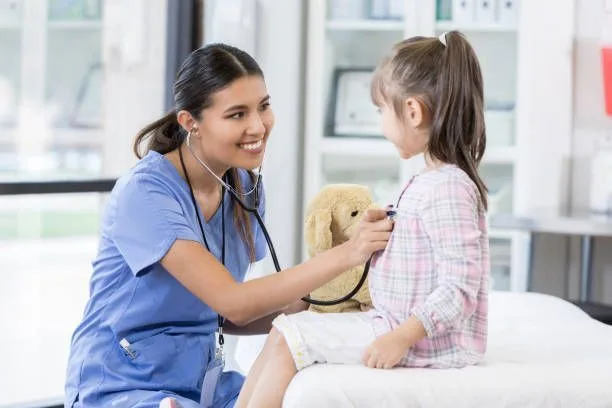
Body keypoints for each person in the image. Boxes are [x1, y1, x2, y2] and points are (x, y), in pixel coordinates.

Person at [63, 43, 394, 408]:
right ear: (191, 123)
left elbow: (221, 316)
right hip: (124, 385)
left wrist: (328, 302)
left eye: (264, 106)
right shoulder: (145, 194)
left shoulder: (245, 188)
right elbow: (233, 303)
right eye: (237, 114)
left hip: (203, 385)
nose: (258, 126)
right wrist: (349, 253)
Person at [235, 31, 491, 408]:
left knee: (291, 338)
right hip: (401, 325)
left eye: (381, 110)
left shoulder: (448, 188)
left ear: (413, 112)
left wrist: (401, 337)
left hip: (428, 342)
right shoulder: (433, 181)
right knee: (283, 331)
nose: (380, 122)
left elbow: (460, 288)